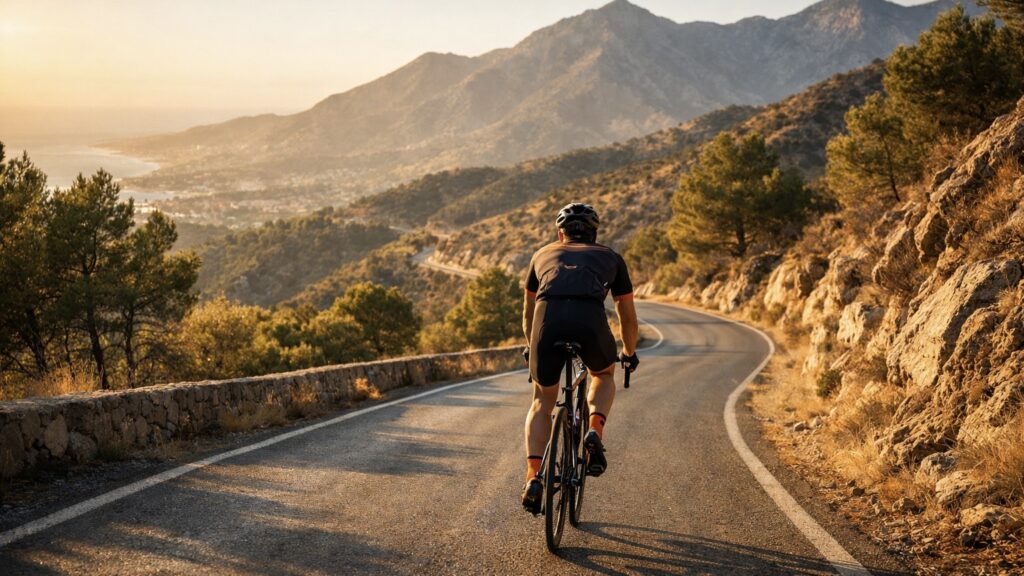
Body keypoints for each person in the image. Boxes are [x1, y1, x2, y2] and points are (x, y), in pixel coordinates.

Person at [520, 202, 640, 514]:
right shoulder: (610, 256)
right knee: (602, 374)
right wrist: (628, 352)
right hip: (590, 320)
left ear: (560, 234)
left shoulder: (541, 254)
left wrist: (530, 345)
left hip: (547, 322)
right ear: (595, 232)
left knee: (541, 401)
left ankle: (533, 477)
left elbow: (528, 313)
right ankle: (594, 431)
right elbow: (627, 316)